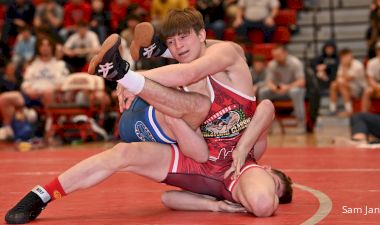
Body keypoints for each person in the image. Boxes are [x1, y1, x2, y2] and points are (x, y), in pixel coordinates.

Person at [5, 9, 292, 224]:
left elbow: (170, 196)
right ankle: (140, 61)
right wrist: (242, 148)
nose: (181, 45)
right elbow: (266, 107)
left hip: (170, 135)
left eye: (182, 39)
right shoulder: (255, 148)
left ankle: (39, 197)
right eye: (276, 183)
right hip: (161, 118)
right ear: (267, 170)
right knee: (200, 104)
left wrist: (214, 204)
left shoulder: (220, 193)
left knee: (122, 154)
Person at [0, 37, 69, 141]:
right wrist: (28, 90)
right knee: (5, 98)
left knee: (48, 92)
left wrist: (47, 90)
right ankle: (8, 129)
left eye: (48, 45)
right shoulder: (33, 64)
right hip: (31, 95)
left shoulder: (60, 65)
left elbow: (63, 83)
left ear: (52, 47)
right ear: (38, 48)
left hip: (49, 95)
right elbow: (25, 82)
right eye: (42, 45)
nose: (45, 48)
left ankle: (49, 128)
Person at [258, 44, 306, 131]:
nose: (276, 57)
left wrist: (287, 87)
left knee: (295, 91)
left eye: (278, 55)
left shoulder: (295, 63)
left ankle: (301, 122)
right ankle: (264, 123)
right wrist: (274, 88)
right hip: (277, 90)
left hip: (291, 89)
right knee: (263, 91)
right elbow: (268, 82)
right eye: (274, 56)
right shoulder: (272, 64)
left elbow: (301, 82)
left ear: (285, 53)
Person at [329, 49, 366, 115]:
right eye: (342, 57)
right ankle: (332, 109)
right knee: (333, 85)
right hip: (346, 86)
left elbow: (349, 78)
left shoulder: (358, 65)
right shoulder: (342, 64)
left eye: (346, 56)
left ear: (351, 56)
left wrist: (344, 67)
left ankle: (349, 110)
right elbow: (338, 78)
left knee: (342, 84)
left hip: (359, 89)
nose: (344, 59)